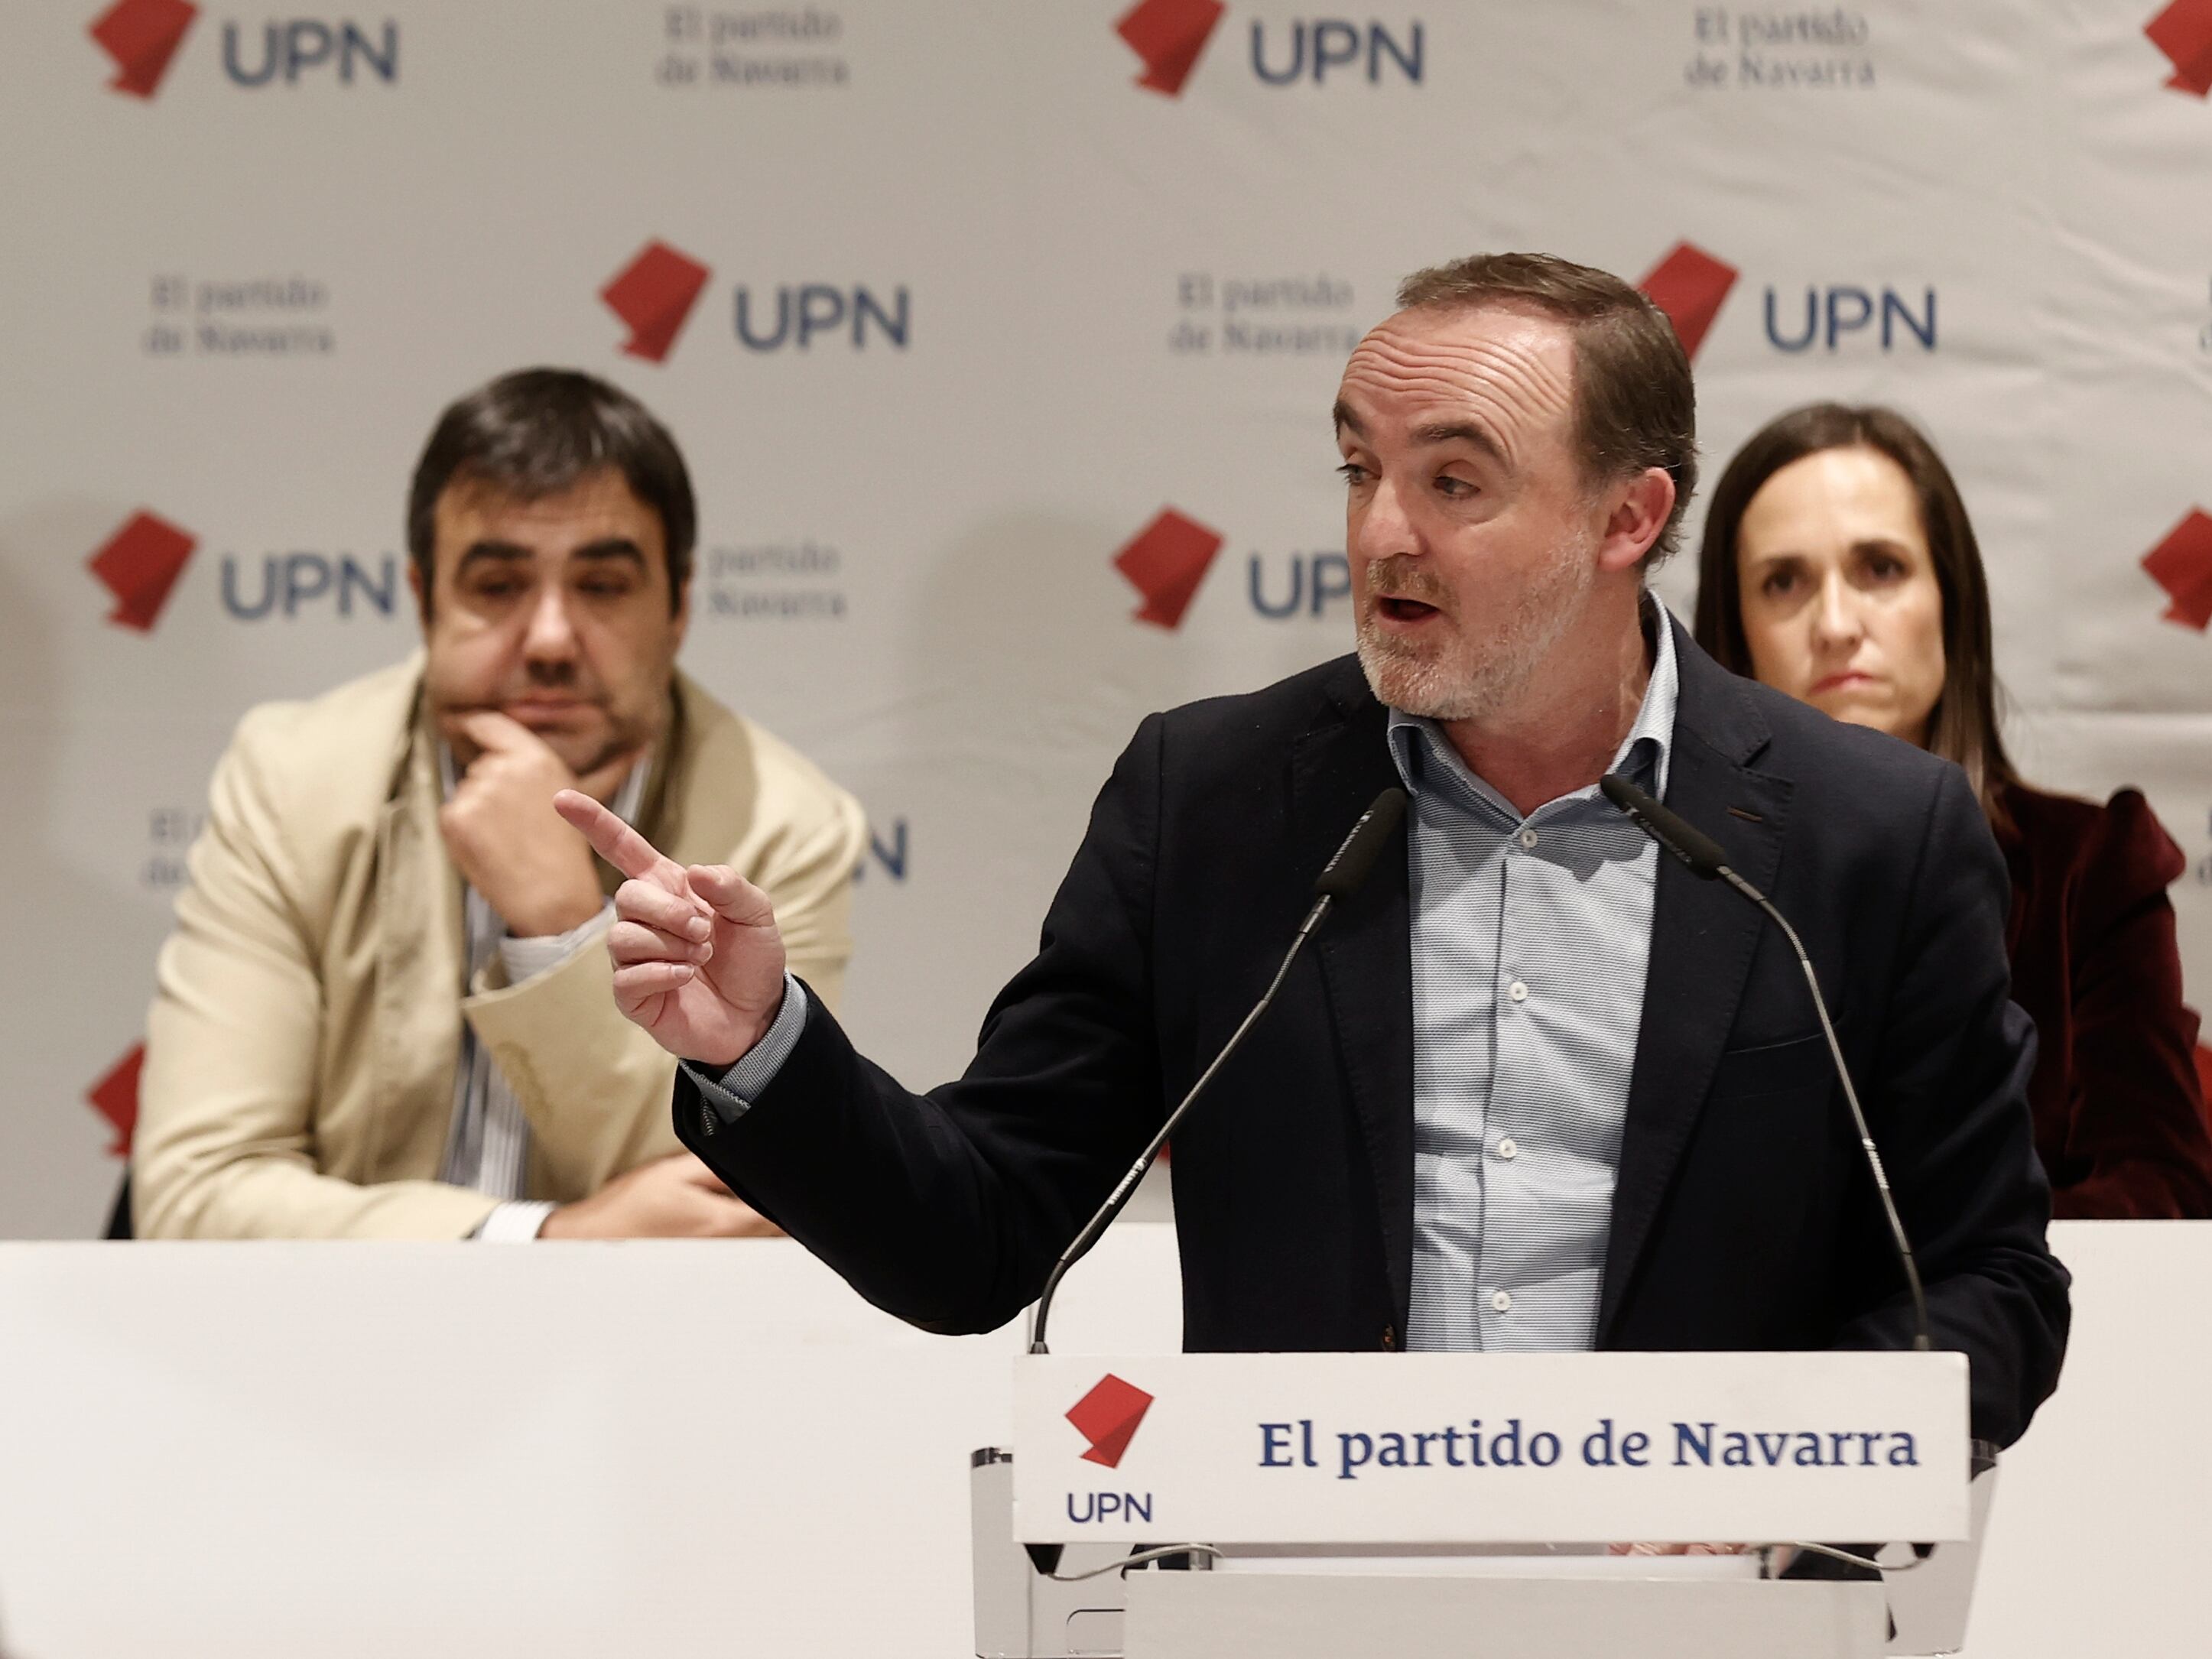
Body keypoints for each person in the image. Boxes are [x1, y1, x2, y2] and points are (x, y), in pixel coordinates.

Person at [563, 255, 2069, 1448]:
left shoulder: (1865, 835)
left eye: (1453, 480)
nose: (1379, 535)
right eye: (1359, 470)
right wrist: (763, 1043)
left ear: (1631, 515)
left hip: (1715, 1614)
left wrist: (1761, 1469)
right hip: (1304, 1599)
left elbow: (1994, 1288)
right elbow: (982, 1228)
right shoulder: (1215, 803)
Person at [133, 368, 868, 1239]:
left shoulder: (778, 830)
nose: (551, 640)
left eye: (602, 586)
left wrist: (561, 926)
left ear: (678, 606)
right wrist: (543, 1241)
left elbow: (735, 1207)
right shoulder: (292, 783)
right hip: (334, 1347)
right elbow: (195, 1200)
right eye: (496, 585)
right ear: (422, 599)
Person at [1693, 404, 2212, 1219]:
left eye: (1880, 568)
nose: (1835, 625)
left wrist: (1956, 1280)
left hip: (2037, 1342)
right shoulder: (1679, 873)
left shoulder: (2090, 867)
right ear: (1735, 637)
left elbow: (2161, 1189)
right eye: (1783, 582)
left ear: (1951, 600)